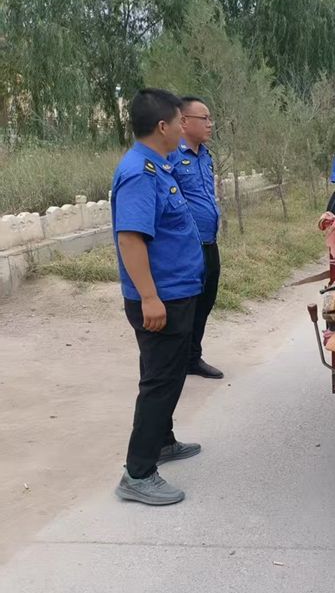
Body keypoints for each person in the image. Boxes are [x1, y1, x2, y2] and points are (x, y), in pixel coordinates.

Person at [111, 88, 205, 506]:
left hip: (176, 291)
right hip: (160, 297)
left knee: (166, 374)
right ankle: (138, 473)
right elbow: (131, 239)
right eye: (180, 122)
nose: (184, 128)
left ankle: (162, 441)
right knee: (160, 382)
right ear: (163, 126)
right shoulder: (139, 173)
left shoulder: (159, 166)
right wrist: (149, 298)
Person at [169, 96, 223, 379]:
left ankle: (192, 357)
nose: (210, 124)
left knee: (205, 301)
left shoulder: (205, 155)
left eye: (210, 118)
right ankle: (175, 361)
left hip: (209, 242)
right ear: (184, 121)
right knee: (186, 305)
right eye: (205, 118)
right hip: (188, 245)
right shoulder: (171, 156)